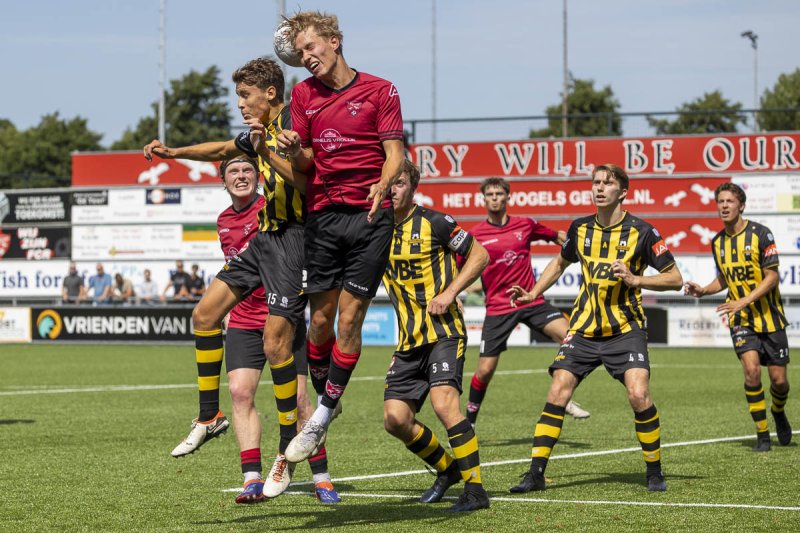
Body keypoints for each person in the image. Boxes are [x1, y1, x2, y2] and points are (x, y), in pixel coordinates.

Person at [144, 57, 306, 498]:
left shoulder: (294, 125)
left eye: (244, 95)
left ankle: (285, 454)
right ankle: (208, 416)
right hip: (266, 240)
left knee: (280, 350)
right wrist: (174, 154)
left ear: (270, 93)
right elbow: (220, 150)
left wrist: (269, 149)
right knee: (203, 315)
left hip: (293, 241)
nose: (240, 104)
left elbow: (308, 181)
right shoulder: (255, 135)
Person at [277, 10, 405, 463]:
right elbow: (306, 163)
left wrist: (384, 183)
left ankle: (322, 415)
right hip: (323, 216)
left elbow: (395, 154)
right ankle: (326, 387)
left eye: (311, 46)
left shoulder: (381, 90)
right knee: (319, 323)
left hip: (371, 216)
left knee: (349, 322)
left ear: (334, 40)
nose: (306, 56)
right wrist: (296, 150)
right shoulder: (303, 95)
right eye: (300, 52)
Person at [507, 164, 683, 493]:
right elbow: (560, 262)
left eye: (607, 183)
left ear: (623, 192)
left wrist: (636, 279)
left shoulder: (643, 232)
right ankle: (535, 474)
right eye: (596, 182)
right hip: (584, 330)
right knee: (558, 391)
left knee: (639, 394)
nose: (599, 188)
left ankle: (654, 470)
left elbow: (675, 278)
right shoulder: (580, 228)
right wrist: (533, 292)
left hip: (625, 329)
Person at [211, 156, 339, 504]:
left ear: (259, 176)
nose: (241, 176)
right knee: (239, 393)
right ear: (223, 181)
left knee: (299, 401)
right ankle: (252, 479)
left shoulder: (274, 211)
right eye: (233, 172)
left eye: (247, 171)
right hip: (243, 321)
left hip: (283, 319)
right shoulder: (223, 220)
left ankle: (322, 478)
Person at [381, 160, 490, 512]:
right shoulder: (374, 229)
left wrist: (450, 292)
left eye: (399, 182)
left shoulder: (436, 222)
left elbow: (479, 254)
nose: (392, 189)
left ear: (413, 187)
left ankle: (475, 490)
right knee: (395, 419)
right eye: (388, 182)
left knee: (445, 406)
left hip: (444, 333)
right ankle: (447, 469)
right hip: (408, 341)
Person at [467, 177, 590, 427]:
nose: (494, 198)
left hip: (531, 300)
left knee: (571, 339)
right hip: (498, 307)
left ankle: (563, 396)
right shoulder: (475, 235)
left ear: (507, 197)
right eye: (489, 194)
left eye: (499, 193)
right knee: (485, 371)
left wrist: (583, 251)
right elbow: (458, 268)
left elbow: (558, 237)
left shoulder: (525, 224)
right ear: (484, 199)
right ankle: (468, 423)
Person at [684, 183, 791, 451]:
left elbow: (772, 276)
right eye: (720, 201)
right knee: (751, 371)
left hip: (770, 317)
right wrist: (703, 290)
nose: (724, 206)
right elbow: (723, 278)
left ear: (741, 205)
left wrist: (745, 299)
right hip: (741, 319)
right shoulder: (717, 242)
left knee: (779, 382)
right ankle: (762, 435)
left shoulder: (761, 234)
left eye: (729, 201)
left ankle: (778, 411)